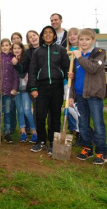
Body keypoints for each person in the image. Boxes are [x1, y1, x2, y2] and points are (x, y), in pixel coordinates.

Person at [69, 28, 107, 165]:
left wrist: (79, 57)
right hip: (80, 96)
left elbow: (93, 68)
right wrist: (71, 96)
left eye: (87, 39)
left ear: (93, 40)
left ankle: (102, 152)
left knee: (98, 124)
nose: (84, 42)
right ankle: (87, 147)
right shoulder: (76, 59)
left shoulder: (99, 53)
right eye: (81, 39)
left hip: (94, 95)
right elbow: (74, 79)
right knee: (83, 124)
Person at [28, 26, 69, 154]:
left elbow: (67, 67)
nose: (48, 34)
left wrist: (68, 74)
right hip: (41, 88)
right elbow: (32, 71)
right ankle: (41, 141)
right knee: (40, 115)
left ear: (54, 35)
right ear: (42, 36)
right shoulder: (37, 52)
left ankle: (53, 142)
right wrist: (33, 88)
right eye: (45, 33)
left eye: (50, 32)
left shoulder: (61, 50)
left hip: (57, 87)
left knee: (55, 116)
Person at [13, 30, 41, 144]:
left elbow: (23, 72)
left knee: (27, 110)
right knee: (19, 111)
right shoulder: (11, 59)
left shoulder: (26, 57)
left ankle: (35, 132)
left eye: (18, 48)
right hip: (16, 89)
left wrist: (17, 64)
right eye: (14, 49)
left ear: (22, 49)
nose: (16, 50)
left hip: (25, 88)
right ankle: (23, 132)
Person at [65, 28, 81, 146]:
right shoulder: (66, 51)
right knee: (68, 107)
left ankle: (82, 130)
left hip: (76, 83)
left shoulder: (81, 50)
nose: (72, 36)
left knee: (73, 108)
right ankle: (79, 131)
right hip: (66, 82)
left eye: (75, 34)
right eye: (70, 35)